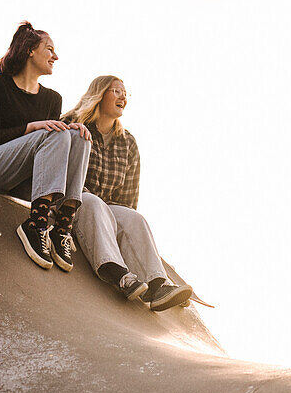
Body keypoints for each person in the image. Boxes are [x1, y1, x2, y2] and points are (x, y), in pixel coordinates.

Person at [0, 22, 91, 272]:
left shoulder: (52, 98)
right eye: (49, 49)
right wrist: (30, 127)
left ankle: (63, 225)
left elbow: (49, 154)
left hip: (21, 180)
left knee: (77, 136)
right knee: (53, 131)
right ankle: (36, 224)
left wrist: (73, 131)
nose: (56, 56)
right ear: (30, 50)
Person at [61, 75, 193, 311]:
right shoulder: (72, 122)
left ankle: (157, 285)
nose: (123, 97)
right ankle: (117, 273)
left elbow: (128, 199)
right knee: (92, 202)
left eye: (125, 93)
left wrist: (122, 225)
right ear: (99, 95)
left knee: (135, 218)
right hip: (73, 200)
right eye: (116, 91)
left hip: (105, 209)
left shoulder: (128, 142)